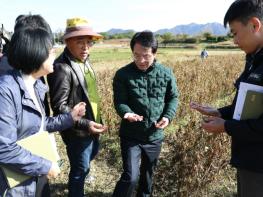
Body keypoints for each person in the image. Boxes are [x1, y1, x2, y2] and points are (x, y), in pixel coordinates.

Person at [0, 26, 86, 197]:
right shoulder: (5, 90)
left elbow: (38, 124)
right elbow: (3, 147)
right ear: (37, 53)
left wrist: (69, 118)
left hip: (32, 174)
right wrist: (44, 165)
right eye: (52, 51)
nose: (55, 55)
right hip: (14, 185)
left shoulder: (35, 85)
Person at [190, 0, 263, 196]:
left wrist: (226, 126)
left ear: (255, 25)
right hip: (250, 159)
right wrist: (219, 112)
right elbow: (250, 106)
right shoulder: (254, 59)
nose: (234, 41)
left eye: (235, 33)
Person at [112, 31, 179, 197]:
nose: (141, 60)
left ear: (154, 53)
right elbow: (120, 101)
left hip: (154, 135)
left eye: (146, 56)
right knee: (131, 177)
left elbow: (173, 97)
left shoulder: (166, 73)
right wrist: (126, 113)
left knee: (148, 176)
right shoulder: (123, 74)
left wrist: (167, 116)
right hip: (131, 134)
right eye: (136, 55)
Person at [47, 17, 107, 197]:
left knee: (87, 161)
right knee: (79, 171)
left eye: (89, 43)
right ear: (67, 41)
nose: (86, 47)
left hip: (92, 123)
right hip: (78, 130)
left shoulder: (84, 61)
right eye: (80, 42)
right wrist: (85, 124)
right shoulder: (61, 67)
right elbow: (59, 106)